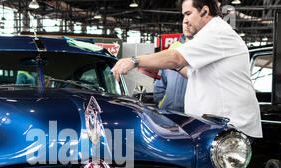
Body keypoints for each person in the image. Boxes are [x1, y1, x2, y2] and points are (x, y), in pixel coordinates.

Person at [111, 0, 262, 138]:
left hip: (230, 128)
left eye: (188, 14)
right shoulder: (211, 34)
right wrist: (158, 67)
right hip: (216, 126)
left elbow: (176, 59)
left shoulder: (217, 33)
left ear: (204, 11)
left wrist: (135, 60)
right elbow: (191, 73)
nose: (185, 20)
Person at [153, 22, 193, 113]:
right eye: (185, 22)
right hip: (167, 110)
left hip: (190, 113)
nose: (187, 25)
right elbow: (160, 79)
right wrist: (160, 102)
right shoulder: (173, 48)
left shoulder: (201, 49)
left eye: (190, 23)